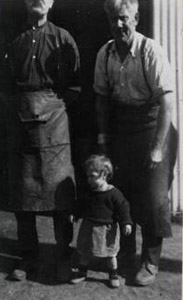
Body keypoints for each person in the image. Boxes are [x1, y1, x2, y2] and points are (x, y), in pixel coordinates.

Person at [94, 0, 174, 286]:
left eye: (124, 18)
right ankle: (124, 255)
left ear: (136, 18)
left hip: (154, 127)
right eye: (113, 19)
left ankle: (150, 262)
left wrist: (156, 149)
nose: (119, 24)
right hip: (122, 128)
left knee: (152, 197)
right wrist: (103, 140)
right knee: (121, 192)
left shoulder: (151, 50)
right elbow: (102, 99)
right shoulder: (105, 53)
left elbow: (168, 104)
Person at [1, 0, 80, 281]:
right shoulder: (16, 42)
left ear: (52, 3)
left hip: (55, 125)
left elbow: (74, 86)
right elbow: (6, 87)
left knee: (60, 192)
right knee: (23, 193)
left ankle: (63, 254)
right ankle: (27, 257)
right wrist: (25, 108)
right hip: (21, 124)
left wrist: (50, 107)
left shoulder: (63, 38)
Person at [70, 154, 133, 288]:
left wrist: (126, 222)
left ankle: (113, 274)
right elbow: (81, 204)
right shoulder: (89, 192)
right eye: (88, 176)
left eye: (92, 176)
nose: (88, 179)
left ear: (104, 174)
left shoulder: (114, 193)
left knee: (110, 254)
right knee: (85, 251)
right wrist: (75, 214)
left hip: (107, 229)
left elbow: (124, 207)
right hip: (89, 226)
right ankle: (82, 272)